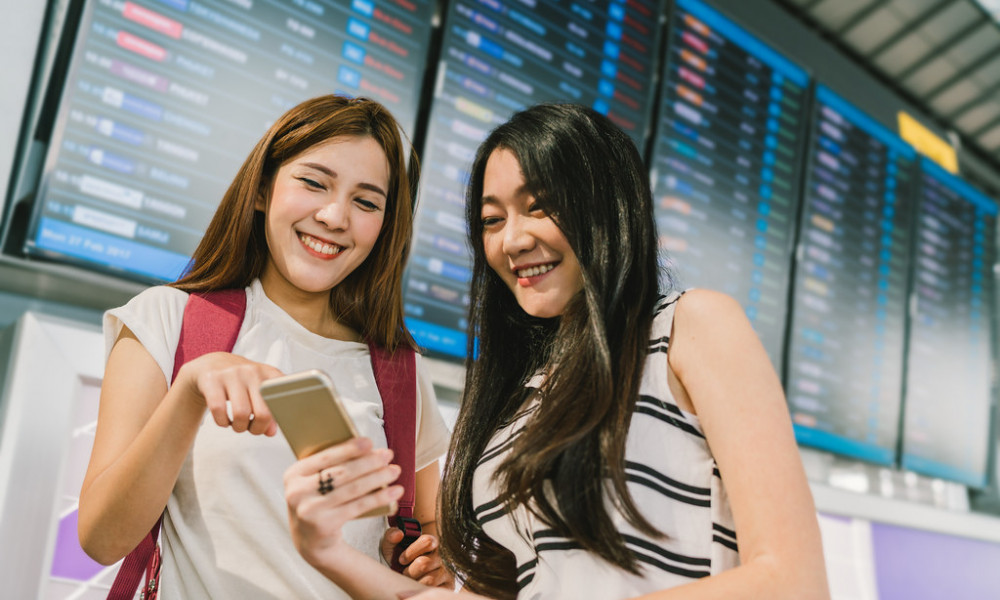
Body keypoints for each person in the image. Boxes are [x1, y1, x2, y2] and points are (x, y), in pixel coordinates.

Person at [283, 103, 830, 599]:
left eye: (540, 207)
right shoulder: (511, 410)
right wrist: (325, 550)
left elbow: (792, 581)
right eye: (492, 221)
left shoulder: (691, 325)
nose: (512, 240)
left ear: (607, 206)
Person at [78, 94, 453, 598]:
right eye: (314, 182)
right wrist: (190, 390)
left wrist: (429, 558)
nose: (335, 215)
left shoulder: (400, 372)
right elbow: (102, 539)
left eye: (366, 201)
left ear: (384, 228)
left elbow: (425, 524)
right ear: (262, 190)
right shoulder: (167, 320)